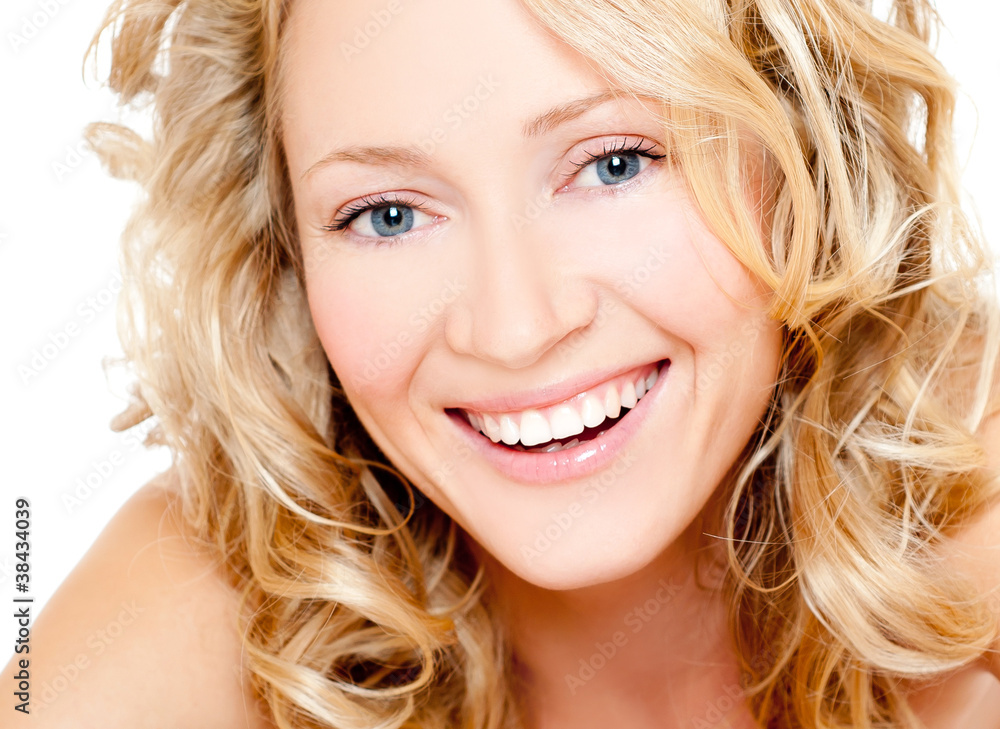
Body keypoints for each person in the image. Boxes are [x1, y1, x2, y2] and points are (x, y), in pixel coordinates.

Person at [7, 0, 1000, 726]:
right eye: (387, 215)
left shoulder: (970, 492)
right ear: (286, 257)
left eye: (614, 162)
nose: (516, 329)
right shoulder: (222, 582)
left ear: (806, 155)